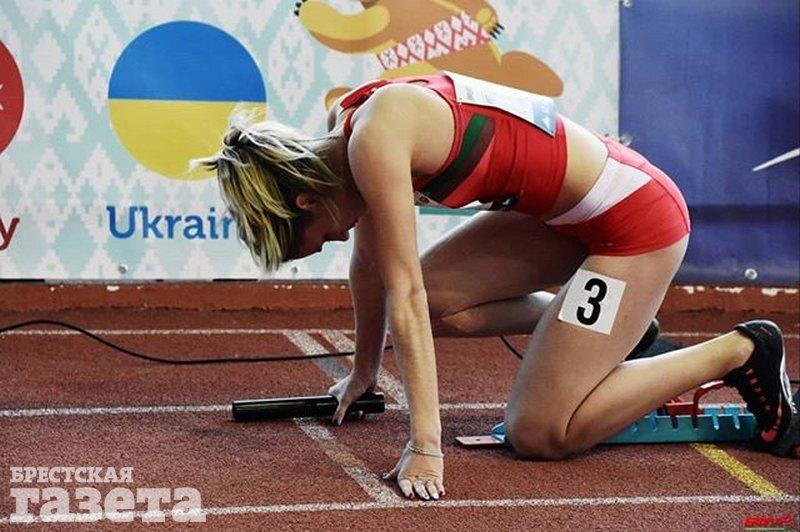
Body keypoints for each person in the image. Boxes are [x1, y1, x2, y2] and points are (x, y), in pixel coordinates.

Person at [196, 72, 799, 500]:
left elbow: (403, 294)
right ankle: (616, 334)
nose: (331, 242)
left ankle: (742, 349)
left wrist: (426, 445)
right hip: (562, 220)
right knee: (438, 304)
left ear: (306, 200)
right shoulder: (347, 131)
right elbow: (369, 268)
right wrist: (362, 373)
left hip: (633, 221)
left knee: (541, 433)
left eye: (315, 239)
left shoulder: (375, 139)